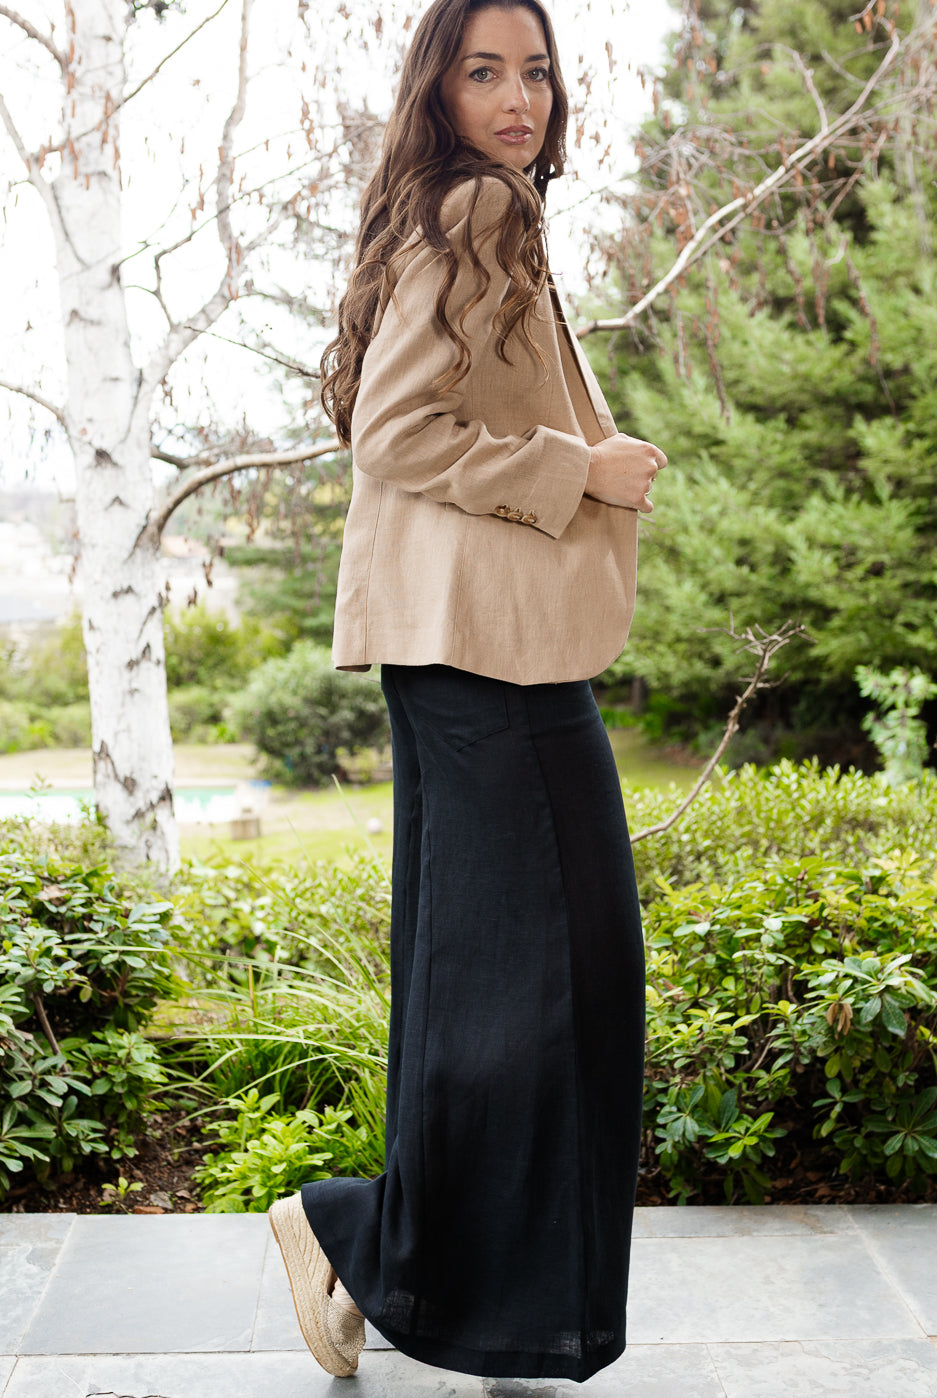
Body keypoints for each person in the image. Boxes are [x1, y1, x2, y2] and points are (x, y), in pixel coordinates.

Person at [269, 0, 667, 1384]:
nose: (518, 98)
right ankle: (376, 1243)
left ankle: (396, 1260)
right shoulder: (477, 209)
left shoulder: (465, 212)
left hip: (467, 648)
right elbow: (394, 433)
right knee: (560, 980)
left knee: (486, 980)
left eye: (536, 71)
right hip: (485, 655)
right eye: (484, 71)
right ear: (437, 89)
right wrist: (580, 469)